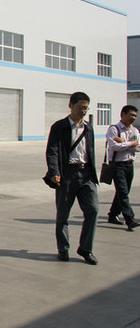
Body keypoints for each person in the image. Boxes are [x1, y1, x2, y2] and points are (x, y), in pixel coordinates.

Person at [44, 91, 99, 265]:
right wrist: (54, 171)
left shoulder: (88, 128)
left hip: (86, 175)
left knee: (93, 210)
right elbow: (52, 151)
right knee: (63, 215)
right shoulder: (59, 127)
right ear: (70, 106)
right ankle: (63, 248)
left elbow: (90, 151)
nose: (83, 111)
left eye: (86, 108)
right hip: (67, 175)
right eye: (80, 107)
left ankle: (86, 249)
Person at [105, 105, 140, 230]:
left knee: (123, 192)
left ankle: (113, 215)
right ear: (123, 115)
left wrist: (124, 143)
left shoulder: (134, 131)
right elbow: (114, 146)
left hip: (129, 165)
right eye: (131, 115)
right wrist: (131, 144)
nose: (133, 118)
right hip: (117, 165)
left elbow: (138, 147)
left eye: (135, 116)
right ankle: (129, 219)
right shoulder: (114, 129)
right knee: (123, 192)